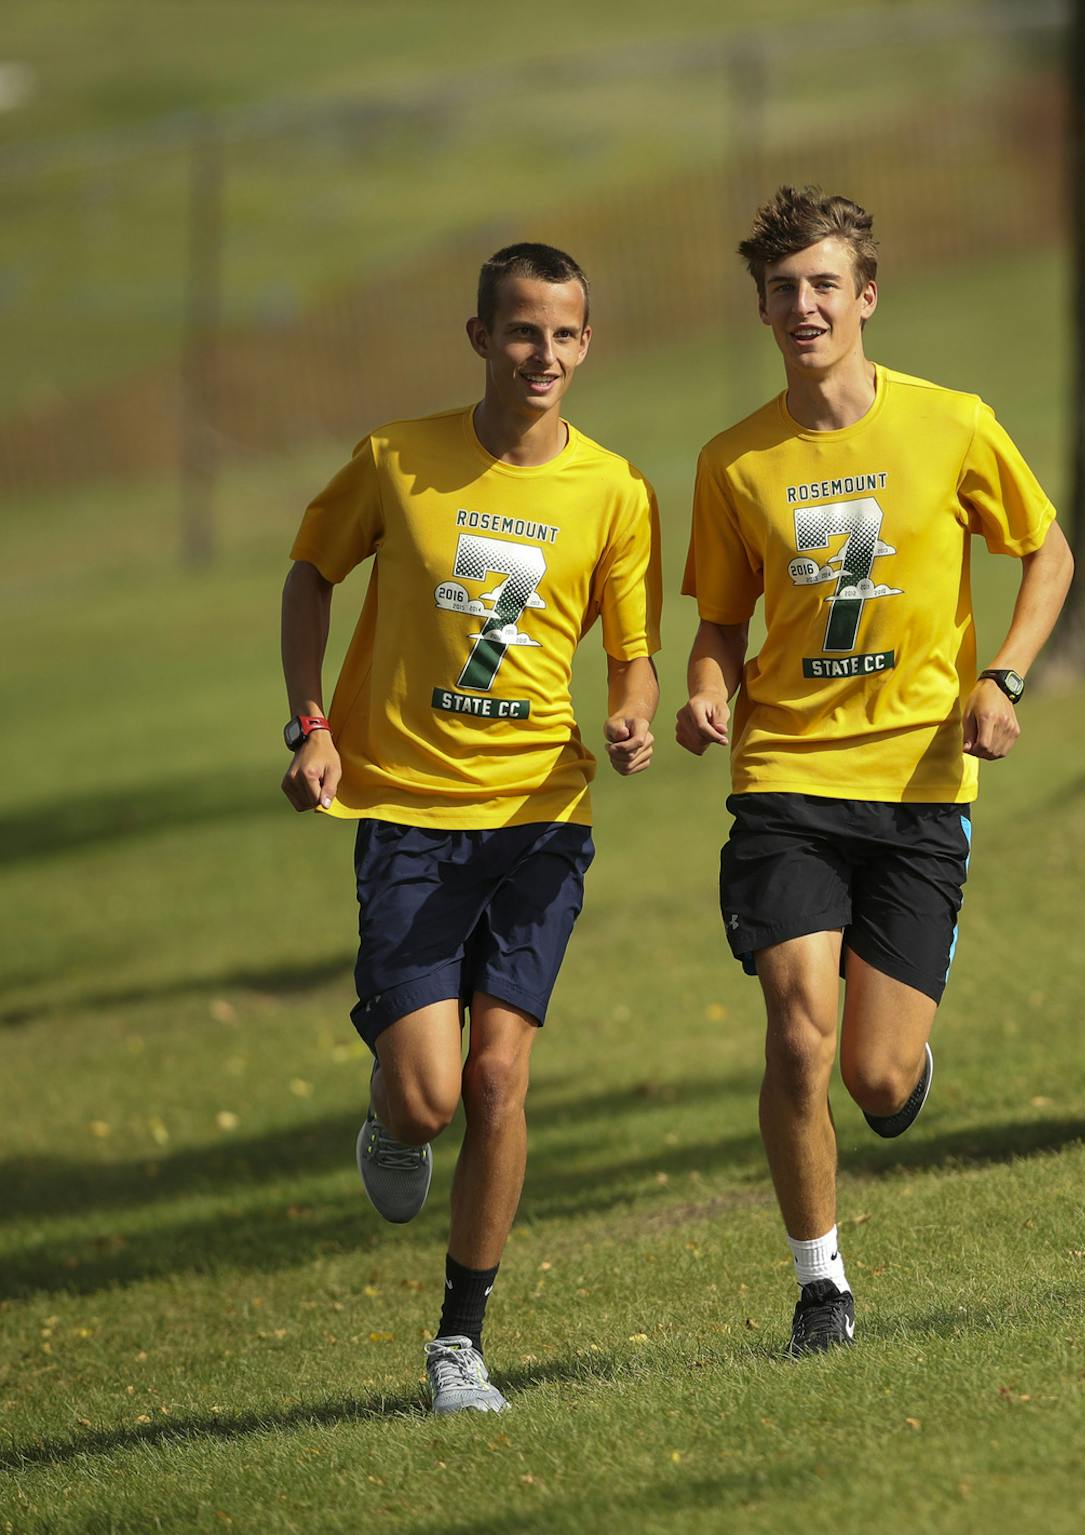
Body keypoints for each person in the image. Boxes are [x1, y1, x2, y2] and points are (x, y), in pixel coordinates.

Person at [677, 187, 1073, 1356]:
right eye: (785, 288)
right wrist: (707, 691)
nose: (805, 306)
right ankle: (819, 1283)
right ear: (762, 305)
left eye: (824, 284)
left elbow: (1044, 551)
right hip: (788, 777)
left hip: (918, 789)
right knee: (797, 1031)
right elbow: (717, 627)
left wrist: (1002, 678)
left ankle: (901, 1075)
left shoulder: (951, 423)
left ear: (866, 296)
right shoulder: (735, 461)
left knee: (876, 1074)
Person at [278, 242, 662, 1413]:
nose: (542, 355)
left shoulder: (614, 489)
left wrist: (636, 718)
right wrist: (311, 724)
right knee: (428, 1095)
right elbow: (309, 572)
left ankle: (460, 1343)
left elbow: (633, 657)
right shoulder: (398, 461)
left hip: (543, 817)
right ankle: (393, 1119)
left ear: (586, 345)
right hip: (405, 815)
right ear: (480, 335)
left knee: (499, 1080)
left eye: (564, 334)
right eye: (520, 331)